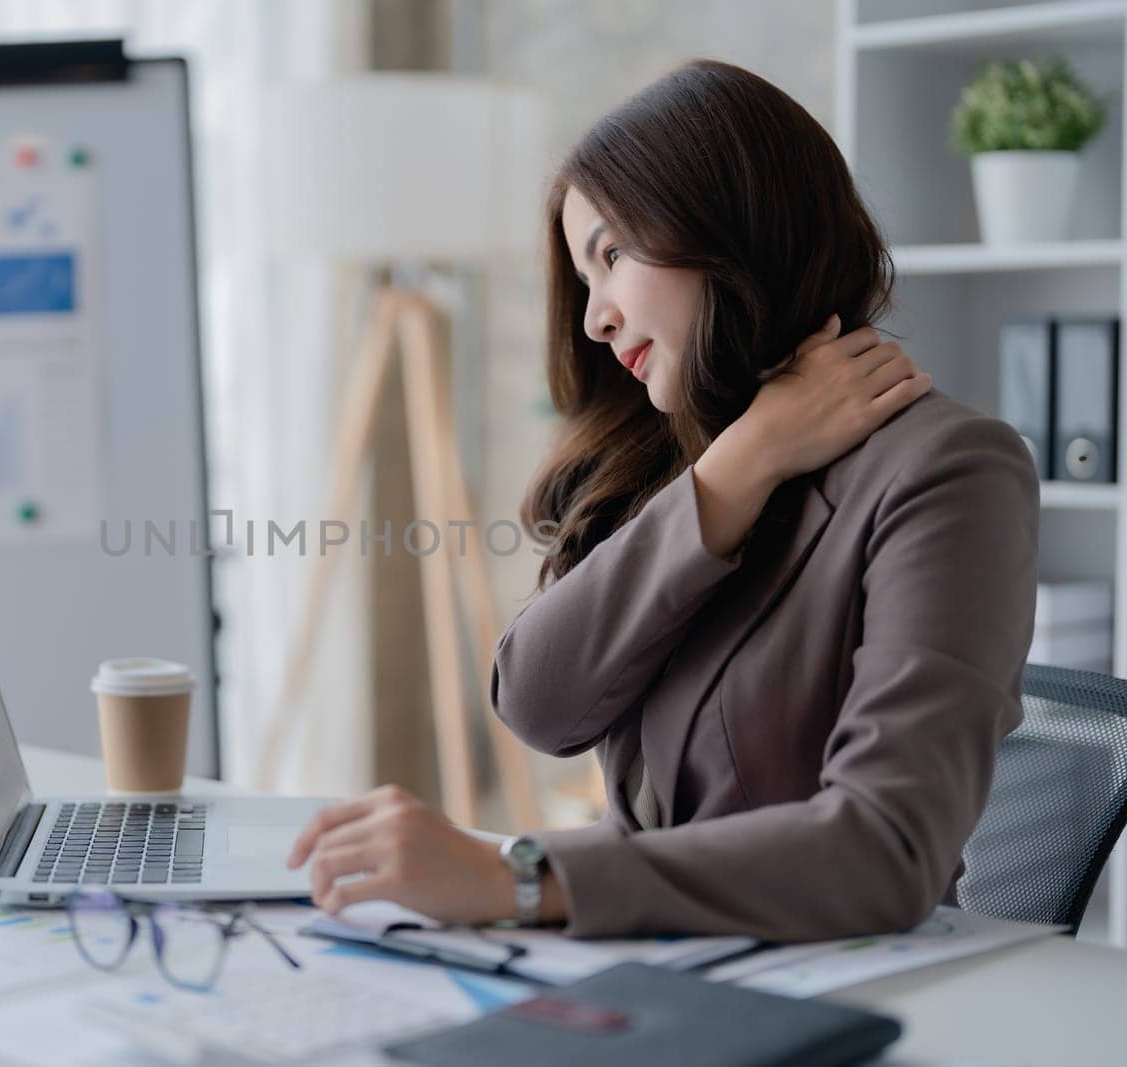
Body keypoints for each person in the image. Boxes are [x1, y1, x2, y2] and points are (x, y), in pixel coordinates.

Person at [286, 58, 1038, 942]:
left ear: (729, 222)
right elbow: (538, 703)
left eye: (611, 254)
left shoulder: (951, 470)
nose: (595, 318)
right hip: (658, 959)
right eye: (584, 277)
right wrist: (742, 464)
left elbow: (887, 847)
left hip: (838, 979)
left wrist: (518, 877)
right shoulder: (685, 459)